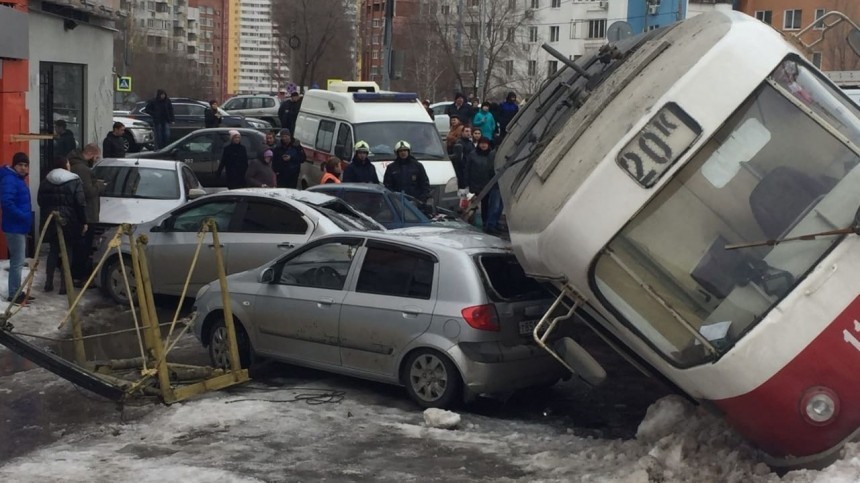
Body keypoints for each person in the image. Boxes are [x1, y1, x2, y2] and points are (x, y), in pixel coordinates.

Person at [38, 157, 87, 295]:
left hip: (51, 219)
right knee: (68, 250)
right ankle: (64, 285)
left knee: (53, 250)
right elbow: (80, 202)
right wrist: (84, 221)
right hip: (70, 220)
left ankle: (49, 282)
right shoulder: (75, 180)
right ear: (66, 165)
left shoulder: (46, 180)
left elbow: (40, 200)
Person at [67, 144, 104, 286]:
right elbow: (88, 191)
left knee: (78, 247)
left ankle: (76, 274)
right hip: (87, 214)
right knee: (84, 248)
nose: (96, 160)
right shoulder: (83, 169)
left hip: (80, 213)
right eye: (96, 157)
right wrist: (100, 186)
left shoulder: (75, 165)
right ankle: (79, 276)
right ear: (90, 154)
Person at [0, 153, 34, 305]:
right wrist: (23, 216)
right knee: (17, 262)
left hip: (18, 226)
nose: (23, 168)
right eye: (20, 164)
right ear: (14, 165)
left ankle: (17, 291)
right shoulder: (10, 180)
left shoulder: (17, 180)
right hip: (14, 227)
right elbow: (7, 203)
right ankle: (14, 294)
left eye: (26, 165)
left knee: (18, 261)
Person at [464, 137, 502, 234]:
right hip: (475, 183)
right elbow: (467, 169)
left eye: (485, 143)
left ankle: (486, 223)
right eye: (482, 143)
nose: (484, 145)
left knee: (488, 205)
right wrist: (466, 183)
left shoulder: (491, 155)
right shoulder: (473, 154)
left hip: (487, 183)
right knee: (476, 204)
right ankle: (476, 222)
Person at [450, 125, 474, 193]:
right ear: (462, 132)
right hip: (462, 169)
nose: (468, 133)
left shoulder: (470, 143)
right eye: (466, 131)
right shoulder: (459, 143)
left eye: (469, 131)